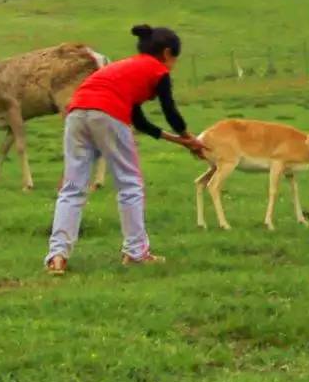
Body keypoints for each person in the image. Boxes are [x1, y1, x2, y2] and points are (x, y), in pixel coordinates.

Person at [45, 23, 206, 272]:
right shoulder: (157, 70)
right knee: (129, 183)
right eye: (175, 59)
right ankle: (136, 252)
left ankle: (57, 256)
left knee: (73, 188)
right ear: (166, 54)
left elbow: (140, 120)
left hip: (76, 113)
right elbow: (170, 111)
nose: (173, 65)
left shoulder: (124, 68)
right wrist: (188, 136)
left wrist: (179, 141)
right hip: (107, 114)